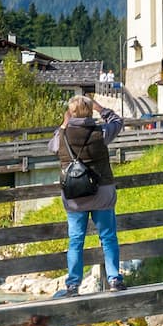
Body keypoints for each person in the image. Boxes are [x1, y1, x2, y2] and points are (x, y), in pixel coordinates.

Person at [49, 95, 125, 296]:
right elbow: (118, 122)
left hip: (75, 197)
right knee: (108, 237)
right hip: (102, 194)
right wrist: (102, 110)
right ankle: (114, 279)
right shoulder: (101, 132)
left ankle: (73, 284)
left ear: (70, 113)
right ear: (90, 111)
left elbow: (52, 147)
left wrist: (64, 124)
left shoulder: (63, 136)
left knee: (76, 240)